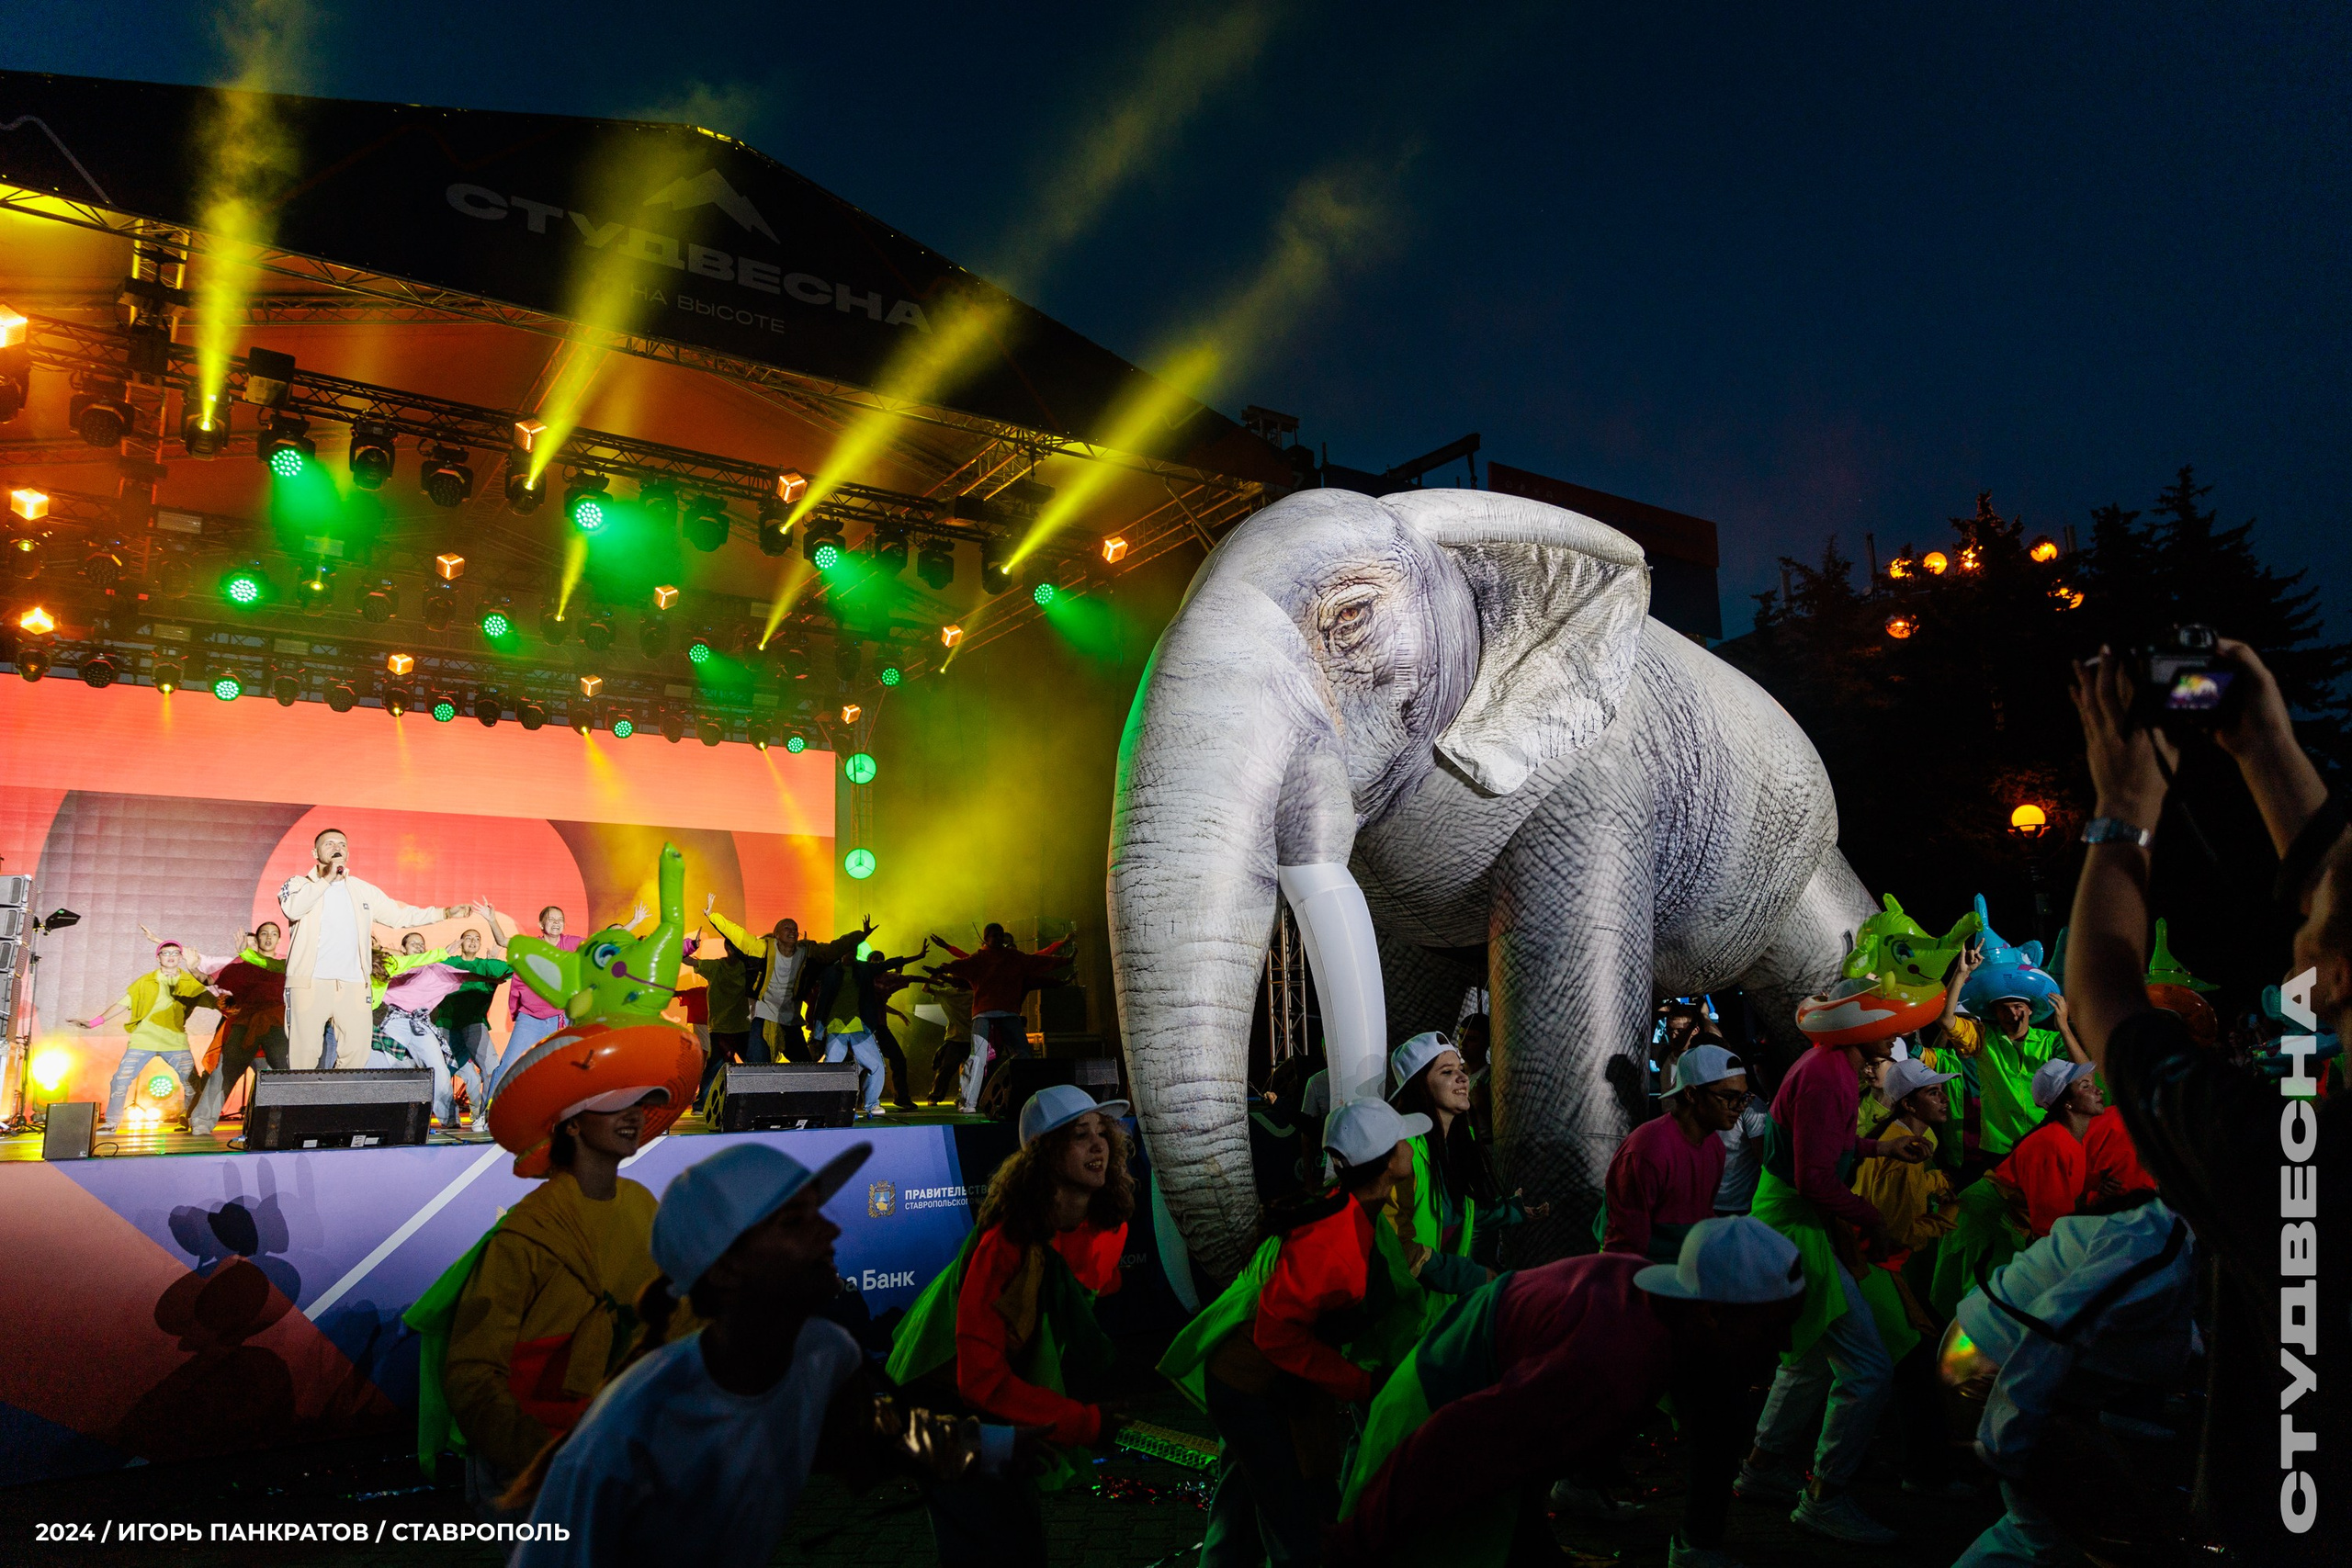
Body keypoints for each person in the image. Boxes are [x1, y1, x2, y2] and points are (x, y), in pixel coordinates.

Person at [2064, 635, 2347, 1557]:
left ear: (2332, 979)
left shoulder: (2288, 1170)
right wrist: (2264, 744)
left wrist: (2122, 806)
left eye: (2306, 918)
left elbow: (2103, 997)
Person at [512, 1141, 1001, 1567]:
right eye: (795, 1222)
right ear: (725, 1271)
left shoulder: (824, 1352)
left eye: (818, 1213)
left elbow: (889, 1437)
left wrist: (1014, 1446)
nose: (830, 1232)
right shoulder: (632, 1433)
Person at [1329, 1217, 1807, 1568]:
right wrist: (1354, 1542)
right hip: (1431, 1418)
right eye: (1772, 1327)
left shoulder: (1656, 1305)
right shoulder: (1610, 1362)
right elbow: (1451, 1445)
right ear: (1711, 1315)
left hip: (1465, 1406)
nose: (1783, 1346)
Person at [1158, 1098, 1430, 1568]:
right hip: (1252, 1391)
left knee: (1243, 1516)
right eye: (1403, 1138)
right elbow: (1276, 1335)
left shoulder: (1348, 1209)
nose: (1411, 1144)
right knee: (1298, 1530)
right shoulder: (1332, 1240)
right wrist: (1361, 1383)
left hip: (1262, 1386)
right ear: (1387, 1160)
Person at [1733, 1018, 1932, 1546]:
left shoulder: (1831, 1066)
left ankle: (1759, 1469)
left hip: (1793, 1221)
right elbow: (1814, 1178)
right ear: (1853, 1027)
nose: (1895, 1033)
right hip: (1797, 1226)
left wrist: (1881, 1150)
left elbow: (1826, 1146)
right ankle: (1825, 1497)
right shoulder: (1829, 1075)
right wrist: (1873, 1219)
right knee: (1866, 1370)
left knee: (1811, 1361)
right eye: (1886, 1022)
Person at [435, 1086, 673, 1507]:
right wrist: (541, 1455)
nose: (634, 1115)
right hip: (538, 1463)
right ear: (572, 1123)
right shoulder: (527, 1233)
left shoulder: (642, 1205)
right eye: (616, 1105)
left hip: (620, 1451)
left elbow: (671, 1326)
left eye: (638, 1104)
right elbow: (473, 1369)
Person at [1948, 1194, 2198, 1566]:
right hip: (1995, 1365)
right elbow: (2055, 1326)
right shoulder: (2160, 1246)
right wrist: (2006, 1438)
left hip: (2018, 1370)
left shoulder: (2175, 1241)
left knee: (2046, 1536)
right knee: (2093, 1543)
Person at [1850, 1056, 1973, 1493]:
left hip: (1877, 1267)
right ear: (1907, 1104)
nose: (1943, 1098)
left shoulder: (1921, 1140)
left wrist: (1939, 1185)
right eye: (1933, 1092)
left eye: (1942, 1090)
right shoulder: (1904, 1152)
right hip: (1875, 1267)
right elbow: (1896, 1231)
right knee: (1913, 1373)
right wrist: (1950, 1216)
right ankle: (1921, 1472)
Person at [278, 828, 469, 1071]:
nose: (337, 847)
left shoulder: (361, 889)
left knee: (357, 1054)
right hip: (310, 983)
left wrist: (443, 913)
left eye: (342, 844)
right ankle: (300, 1108)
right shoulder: (297, 884)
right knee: (303, 1055)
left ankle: (334, 1105)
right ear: (314, 852)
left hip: (354, 983)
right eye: (329, 844)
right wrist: (325, 879)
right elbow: (294, 909)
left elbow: (400, 916)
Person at [1930, 1058, 2105, 1319]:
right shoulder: (2052, 1143)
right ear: (2066, 1102)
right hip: (1986, 1222)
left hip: (2001, 1220)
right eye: (2086, 1086)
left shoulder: (2067, 1138)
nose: (2098, 1090)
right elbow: (2050, 1226)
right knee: (1985, 1306)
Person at [1385, 1032, 1544, 1310]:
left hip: (1432, 1311)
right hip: (1397, 1318)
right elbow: (1396, 1245)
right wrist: (1475, 1276)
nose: (1462, 1077)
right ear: (1419, 1085)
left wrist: (1513, 1211)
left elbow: (1458, 1211)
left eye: (1461, 1069)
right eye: (1447, 1071)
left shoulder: (1455, 1142)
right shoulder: (1401, 1152)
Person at [1603, 1043, 1747, 1260]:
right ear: (1691, 1093)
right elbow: (1624, 1247)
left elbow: (1702, 1217)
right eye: (1729, 1096)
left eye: (1744, 1097)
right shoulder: (1647, 1151)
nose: (1740, 1106)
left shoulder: (1713, 1145)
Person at [74, 941, 219, 1129]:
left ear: (181, 957)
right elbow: (122, 1004)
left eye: (175, 952)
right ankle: (111, 1122)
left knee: (192, 1083)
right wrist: (94, 1022)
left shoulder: (191, 983)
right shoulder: (146, 981)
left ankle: (188, 1117)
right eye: (166, 952)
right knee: (120, 1079)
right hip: (143, 1040)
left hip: (175, 1041)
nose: (171, 956)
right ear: (158, 957)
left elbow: (217, 1003)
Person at [706, 901, 870, 1063]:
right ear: (776, 934)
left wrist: (860, 935)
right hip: (764, 1014)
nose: (792, 932)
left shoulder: (806, 952)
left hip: (790, 1017)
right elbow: (739, 936)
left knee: (804, 1065)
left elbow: (833, 948)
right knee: (757, 1063)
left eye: (795, 929)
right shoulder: (764, 948)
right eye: (787, 928)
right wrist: (713, 916)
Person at [933, 925, 1074, 1111]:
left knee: (1022, 1055)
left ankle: (1023, 1098)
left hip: (1008, 1014)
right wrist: (945, 967)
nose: (999, 939)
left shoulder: (1015, 958)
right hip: (984, 1013)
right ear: (986, 938)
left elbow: (1039, 959)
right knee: (978, 1057)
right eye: (995, 935)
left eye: (1001, 936)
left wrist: (1064, 961)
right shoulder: (980, 958)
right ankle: (968, 1102)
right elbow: (962, 961)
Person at [1940, 987, 2090, 1164]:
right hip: (2000, 1146)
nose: (2012, 1013)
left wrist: (2064, 1026)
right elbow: (1945, 1018)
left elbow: (2085, 1072)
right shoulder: (1983, 1037)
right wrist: (1961, 972)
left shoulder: (2050, 1040)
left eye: (2018, 1006)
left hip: (2045, 1139)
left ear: (2030, 1010)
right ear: (1995, 1013)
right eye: (2003, 1008)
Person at [187, 923, 288, 1136]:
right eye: (263, 933)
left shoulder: (286, 963)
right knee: (223, 1074)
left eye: (274, 934)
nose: (268, 938)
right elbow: (209, 980)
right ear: (257, 938)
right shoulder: (241, 961)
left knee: (280, 1075)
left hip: (276, 1025)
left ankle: (278, 1125)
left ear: (279, 938)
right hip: (244, 1025)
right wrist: (193, 968)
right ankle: (202, 1120)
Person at [434, 912, 514, 1127]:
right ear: (461, 943)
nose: (472, 941)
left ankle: (488, 1115)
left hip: (474, 1025)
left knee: (492, 1069)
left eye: (477, 938)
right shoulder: (450, 962)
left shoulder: (486, 965)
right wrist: (441, 954)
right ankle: (448, 1119)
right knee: (442, 1073)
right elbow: (425, 969)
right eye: (468, 937)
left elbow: (515, 970)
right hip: (447, 1025)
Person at [683, 926, 760, 1111]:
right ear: (730, 949)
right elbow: (686, 960)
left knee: (748, 1065)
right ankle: (702, 1104)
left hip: (739, 1026)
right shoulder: (716, 966)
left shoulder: (745, 967)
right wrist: (690, 946)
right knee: (717, 1066)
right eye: (738, 948)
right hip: (723, 1027)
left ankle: (755, 1099)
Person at [507, 905, 581, 1063]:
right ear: (541, 925)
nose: (556, 923)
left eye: (560, 920)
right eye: (551, 919)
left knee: (563, 1065)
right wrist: (492, 920)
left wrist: (633, 923)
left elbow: (600, 945)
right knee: (510, 1063)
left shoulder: (571, 943)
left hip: (560, 1017)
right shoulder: (530, 947)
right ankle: (496, 1089)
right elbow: (517, 984)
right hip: (530, 1017)